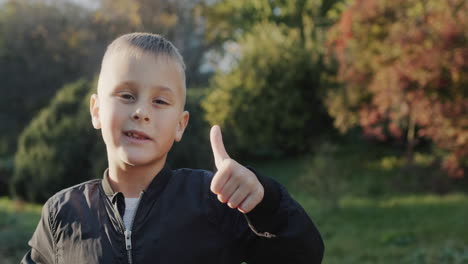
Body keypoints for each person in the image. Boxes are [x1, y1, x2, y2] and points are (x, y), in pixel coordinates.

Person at [22, 32, 324, 264]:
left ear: (180, 124)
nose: (141, 111)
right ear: (96, 110)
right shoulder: (61, 213)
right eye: (126, 95)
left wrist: (264, 203)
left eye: (160, 101)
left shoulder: (215, 202)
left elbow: (302, 255)